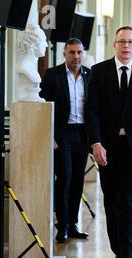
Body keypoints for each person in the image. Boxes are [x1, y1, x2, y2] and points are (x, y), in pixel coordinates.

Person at [84, 26, 132, 258]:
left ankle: (125, 257)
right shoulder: (99, 72)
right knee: (111, 202)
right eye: (122, 42)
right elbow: (91, 110)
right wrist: (95, 143)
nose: (126, 46)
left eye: (130, 42)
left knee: (128, 202)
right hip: (108, 150)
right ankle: (119, 252)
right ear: (114, 45)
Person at [40, 38, 90, 243]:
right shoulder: (53, 75)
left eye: (79, 52)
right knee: (65, 179)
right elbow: (44, 105)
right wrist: (49, 134)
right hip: (62, 135)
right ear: (64, 54)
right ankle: (61, 225)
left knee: (78, 179)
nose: (76, 56)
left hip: (83, 134)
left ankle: (72, 224)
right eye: (72, 53)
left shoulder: (90, 75)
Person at [16, 23, 48, 102]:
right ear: (33, 43)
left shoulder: (29, 67)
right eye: (44, 40)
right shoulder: (24, 68)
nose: (46, 45)